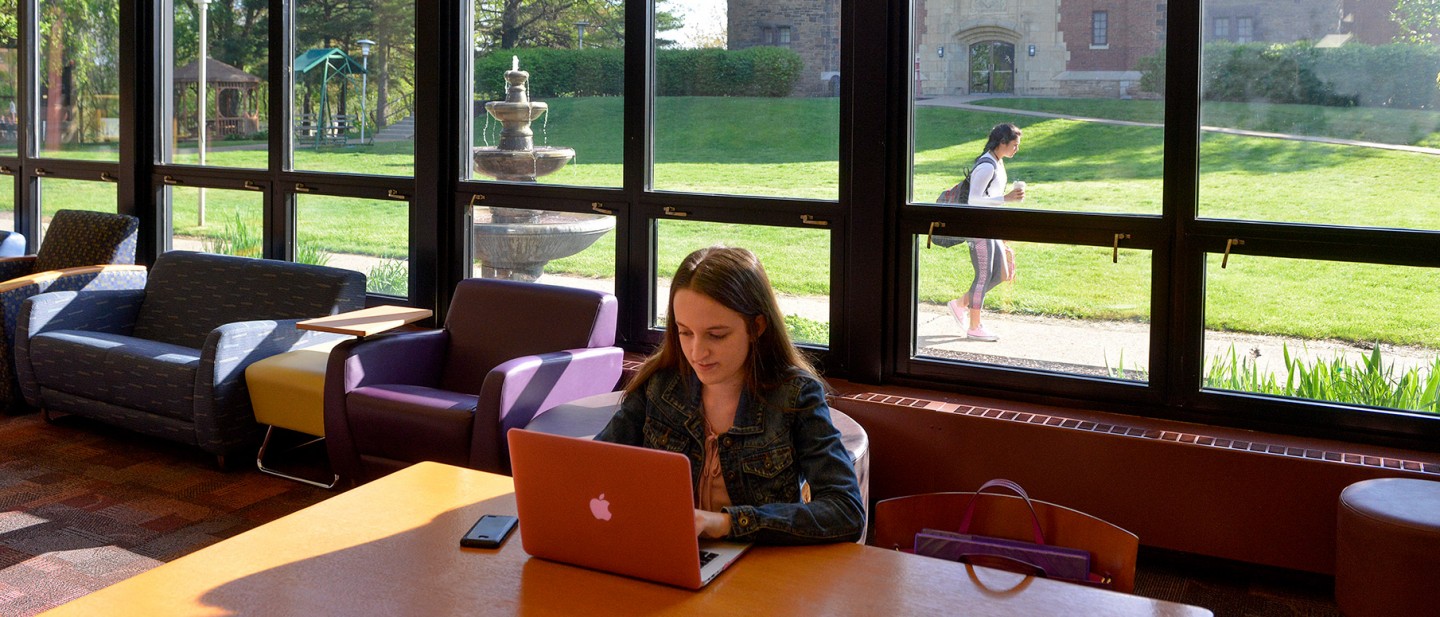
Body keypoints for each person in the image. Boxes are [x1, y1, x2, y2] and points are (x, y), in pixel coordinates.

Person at [595, 246, 865, 545]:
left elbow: (845, 510)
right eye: (685, 332)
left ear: (756, 327)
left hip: (760, 570)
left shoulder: (795, 395)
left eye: (717, 335)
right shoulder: (660, 385)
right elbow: (595, 469)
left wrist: (725, 523)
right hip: (664, 553)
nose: (697, 352)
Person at [949, 122, 1026, 342]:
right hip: (977, 228)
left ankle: (960, 304)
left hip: (989, 226)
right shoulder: (987, 166)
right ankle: (975, 326)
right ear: (1002, 143)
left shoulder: (998, 162)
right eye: (1014, 144)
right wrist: (1007, 198)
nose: (1016, 149)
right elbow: (974, 200)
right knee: (982, 276)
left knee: (1001, 273)